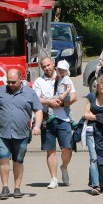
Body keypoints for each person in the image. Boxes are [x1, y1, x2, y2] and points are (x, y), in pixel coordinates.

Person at [0, 69, 43, 199]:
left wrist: (37, 125)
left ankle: (17, 187)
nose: (10, 85)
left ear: (20, 79)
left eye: (13, 82)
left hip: (22, 134)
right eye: (8, 82)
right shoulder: (1, 91)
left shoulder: (30, 93)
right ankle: (5, 187)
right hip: (2, 132)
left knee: (18, 160)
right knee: (3, 158)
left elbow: (38, 110)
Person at [34, 57, 77, 189]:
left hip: (64, 118)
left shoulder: (64, 77)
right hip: (48, 119)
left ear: (53, 64)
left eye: (48, 65)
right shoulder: (39, 81)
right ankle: (54, 178)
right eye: (44, 67)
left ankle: (64, 167)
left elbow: (74, 96)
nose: (47, 68)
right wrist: (49, 102)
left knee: (67, 148)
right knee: (50, 150)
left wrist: (63, 103)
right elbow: (36, 99)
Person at [83, 76, 103, 194]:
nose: (102, 91)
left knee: (102, 160)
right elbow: (86, 114)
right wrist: (99, 117)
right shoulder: (91, 97)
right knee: (93, 158)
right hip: (91, 130)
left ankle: (102, 182)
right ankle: (95, 185)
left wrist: (96, 116)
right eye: (100, 89)